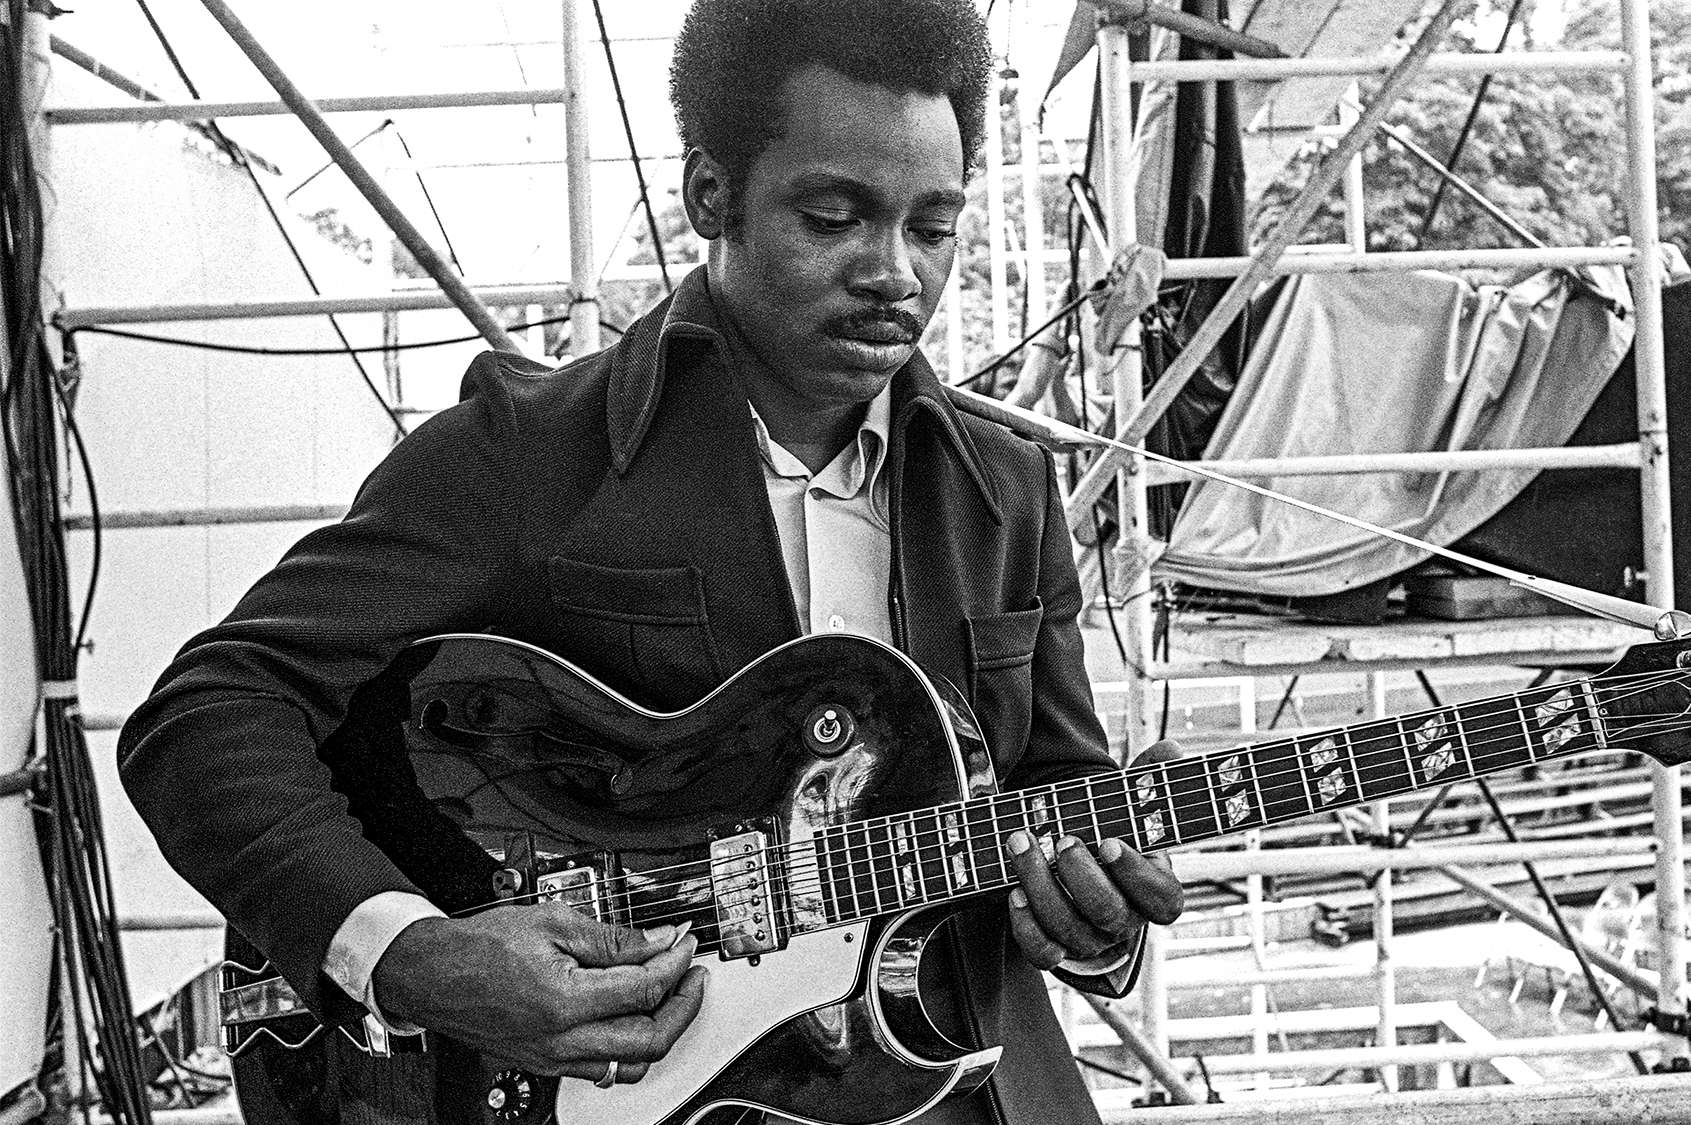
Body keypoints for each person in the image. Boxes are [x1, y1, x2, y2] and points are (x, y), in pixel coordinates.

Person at [117, 1, 1185, 1122]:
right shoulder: (527, 453)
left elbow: (1054, 803)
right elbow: (207, 715)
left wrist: (1089, 916)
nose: (893, 272)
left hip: (960, 1084)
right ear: (708, 195)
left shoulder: (1007, 493)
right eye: (833, 216)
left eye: (931, 227)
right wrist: (411, 954)